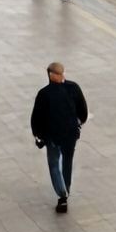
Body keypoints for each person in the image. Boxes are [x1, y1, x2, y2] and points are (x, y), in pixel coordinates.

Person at [30, 62, 88, 213]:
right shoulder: (73, 88)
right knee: (67, 162)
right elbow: (83, 111)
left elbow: (37, 117)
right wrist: (79, 122)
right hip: (70, 135)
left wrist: (38, 134)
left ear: (50, 75)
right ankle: (66, 191)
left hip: (52, 137)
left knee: (54, 164)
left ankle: (62, 194)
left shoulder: (44, 94)